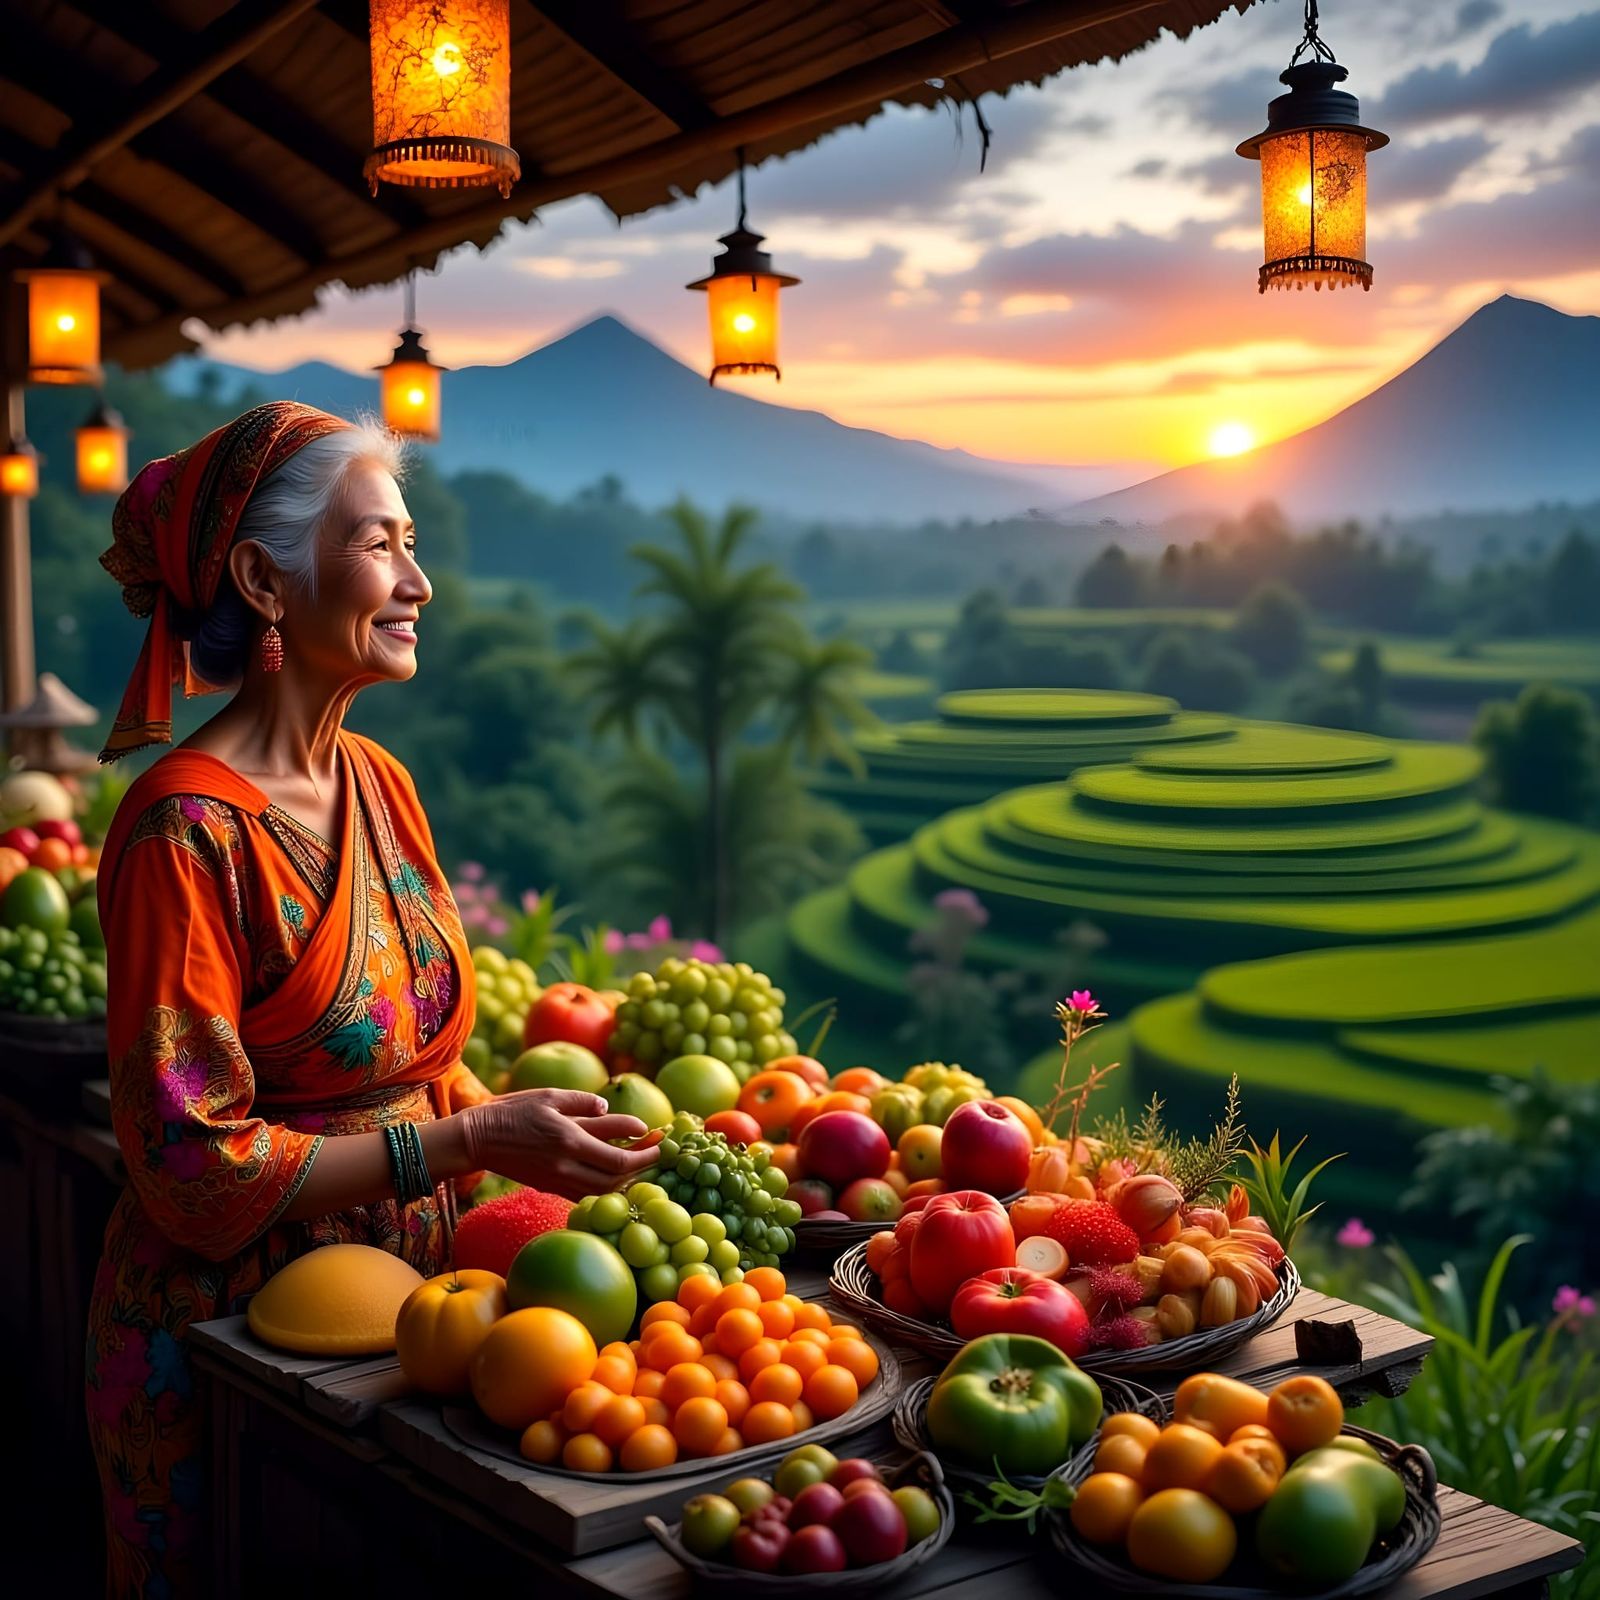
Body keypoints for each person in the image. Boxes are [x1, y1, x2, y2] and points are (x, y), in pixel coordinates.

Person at [84, 402, 658, 1598]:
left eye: (412, 541)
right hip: (234, 1338)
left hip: (419, 1320)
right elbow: (190, 1167)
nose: (420, 579)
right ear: (264, 578)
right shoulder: (184, 835)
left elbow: (417, 1055)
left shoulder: (380, 783)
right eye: (382, 543)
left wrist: (533, 1143)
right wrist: (465, 1139)